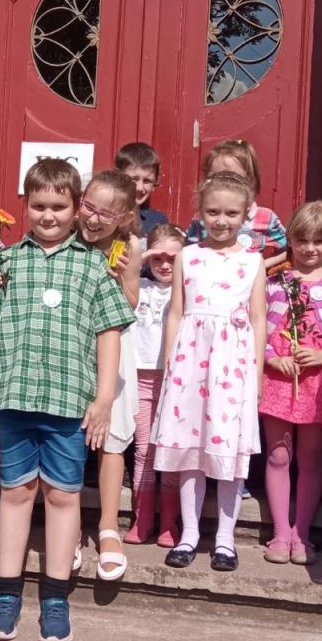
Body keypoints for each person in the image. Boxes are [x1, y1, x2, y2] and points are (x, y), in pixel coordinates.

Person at [0, 158, 133, 641]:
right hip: (14, 396)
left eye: (59, 207)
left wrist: (103, 399)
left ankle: (57, 597)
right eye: (39, 205)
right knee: (16, 493)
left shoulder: (93, 265)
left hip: (68, 401)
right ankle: (6, 594)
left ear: (75, 207)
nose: (48, 215)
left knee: (63, 496)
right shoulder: (6, 263)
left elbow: (109, 333)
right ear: (25, 205)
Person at [152, 171, 266, 572]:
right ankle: (189, 534)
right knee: (191, 451)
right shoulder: (188, 256)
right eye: (213, 212)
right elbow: (176, 312)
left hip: (232, 366)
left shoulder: (252, 261)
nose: (222, 220)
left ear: (246, 214)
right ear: (200, 212)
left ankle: (225, 539)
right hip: (191, 363)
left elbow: (258, 317)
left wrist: (257, 372)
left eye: (231, 213)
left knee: (228, 451)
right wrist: (170, 362)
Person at [260, 201, 322, 567]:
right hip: (278, 378)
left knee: (311, 458)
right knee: (278, 454)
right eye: (302, 240)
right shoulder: (273, 285)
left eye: (319, 240)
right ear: (291, 241)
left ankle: (302, 533)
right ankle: (280, 532)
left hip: (317, 385)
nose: (310, 248)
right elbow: (255, 329)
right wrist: (271, 356)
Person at [74, 169, 142, 581]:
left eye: (106, 214)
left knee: (111, 437)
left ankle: (108, 525)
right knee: (68, 433)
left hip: (114, 344)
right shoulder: (67, 238)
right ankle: (68, 526)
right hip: (72, 345)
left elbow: (132, 302)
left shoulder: (129, 246)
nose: (94, 219)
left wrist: (117, 280)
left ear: (126, 218)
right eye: (89, 207)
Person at [125, 223, 185, 547]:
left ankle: (169, 522)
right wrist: (144, 255)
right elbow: (121, 277)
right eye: (158, 258)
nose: (164, 265)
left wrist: (181, 260)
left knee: (171, 450)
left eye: (171, 259)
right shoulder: (141, 286)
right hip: (141, 378)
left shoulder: (186, 290)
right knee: (144, 450)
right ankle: (142, 518)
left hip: (174, 380)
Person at [185, 139, 288, 271]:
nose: (224, 184)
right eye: (216, 177)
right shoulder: (202, 218)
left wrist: (262, 265)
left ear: (250, 180)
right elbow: (187, 250)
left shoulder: (265, 218)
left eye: (232, 178)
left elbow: (290, 247)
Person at [116, 141, 168, 240]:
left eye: (147, 181)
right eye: (134, 179)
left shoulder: (157, 222)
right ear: (118, 176)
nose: (139, 188)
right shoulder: (104, 213)